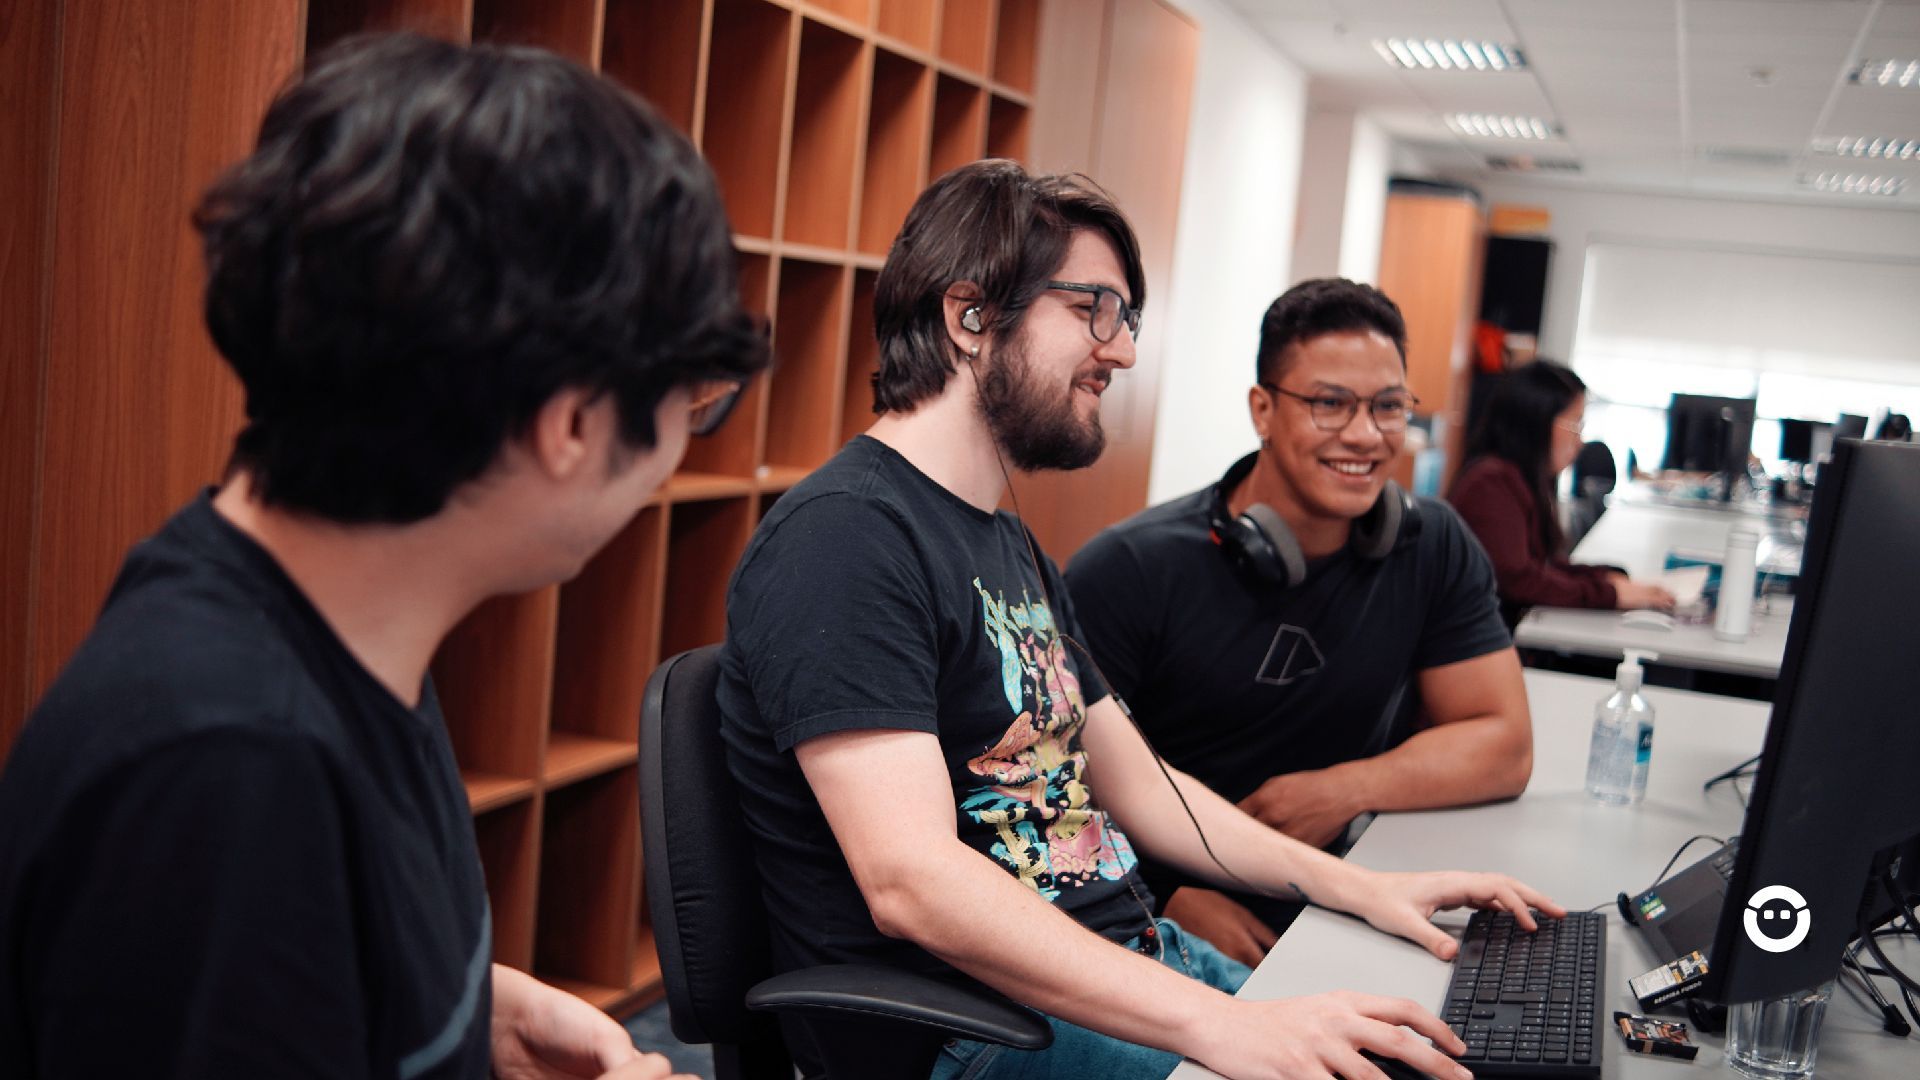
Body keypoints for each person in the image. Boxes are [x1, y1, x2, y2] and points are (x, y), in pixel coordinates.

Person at [0, 34, 767, 1079]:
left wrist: (474, 1019)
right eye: (694, 406)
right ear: (573, 424)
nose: (680, 448)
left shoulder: (331, 636)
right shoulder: (228, 769)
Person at [719, 162, 1562, 1080]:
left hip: (1107, 969)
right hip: (972, 1032)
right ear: (970, 318)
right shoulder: (845, 538)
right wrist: (1216, 1026)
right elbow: (912, 884)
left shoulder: (1007, 544)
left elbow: (1148, 789)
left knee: (1430, 1044)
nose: (1121, 352)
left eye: (1126, 320)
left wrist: (1362, 889)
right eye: (1094, 310)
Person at [1065, 278, 1535, 967]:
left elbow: (1504, 745)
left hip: (1350, 888)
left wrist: (1343, 790)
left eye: (1388, 407)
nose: (1365, 435)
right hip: (1172, 911)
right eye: (1329, 404)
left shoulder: (1430, 544)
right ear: (1263, 409)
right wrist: (1159, 895)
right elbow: (1055, 790)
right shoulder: (1131, 569)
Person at [1448, 361, 1674, 629]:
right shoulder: (1490, 483)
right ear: (1538, 421)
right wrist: (1611, 594)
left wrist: (1605, 578)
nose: (1579, 441)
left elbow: (1544, 566)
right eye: (1575, 424)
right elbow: (1519, 580)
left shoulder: (1524, 478)